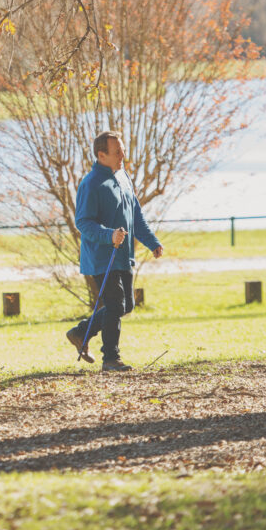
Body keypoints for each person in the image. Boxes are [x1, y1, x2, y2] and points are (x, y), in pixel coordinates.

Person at [66, 131, 164, 371]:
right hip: (101, 257)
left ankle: (80, 332)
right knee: (115, 304)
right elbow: (83, 222)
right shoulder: (91, 183)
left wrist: (152, 242)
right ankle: (110, 358)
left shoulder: (123, 177)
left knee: (126, 305)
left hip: (123, 255)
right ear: (101, 155)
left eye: (122, 150)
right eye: (117, 152)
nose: (123, 155)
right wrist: (109, 235)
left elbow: (135, 216)